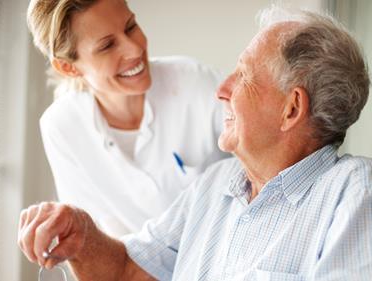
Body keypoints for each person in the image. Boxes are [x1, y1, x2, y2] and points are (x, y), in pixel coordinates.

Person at [18, 7, 372, 280]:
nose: (221, 89)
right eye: (107, 45)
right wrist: (82, 236)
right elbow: (126, 270)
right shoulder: (216, 184)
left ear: (291, 109)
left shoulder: (355, 189)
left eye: (242, 77)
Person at [27, 0, 229, 237]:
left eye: (131, 26)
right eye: (107, 46)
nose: (135, 49)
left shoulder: (194, 81)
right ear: (68, 67)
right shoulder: (61, 127)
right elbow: (90, 236)